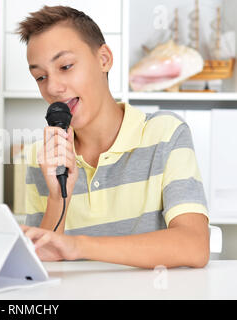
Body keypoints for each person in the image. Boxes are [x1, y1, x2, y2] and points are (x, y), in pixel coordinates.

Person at [17, 5, 210, 268]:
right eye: (40, 77)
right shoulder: (42, 156)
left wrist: (79, 246)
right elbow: (43, 266)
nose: (52, 87)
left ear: (104, 59)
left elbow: (194, 246)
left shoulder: (165, 134)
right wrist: (57, 197)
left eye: (65, 66)